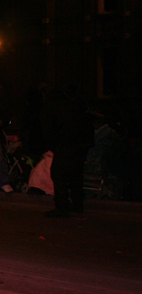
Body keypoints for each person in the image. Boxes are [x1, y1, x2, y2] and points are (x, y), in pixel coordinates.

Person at [41, 85, 94, 217]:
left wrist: (52, 145)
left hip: (64, 146)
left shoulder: (53, 108)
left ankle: (62, 206)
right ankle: (77, 204)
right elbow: (87, 126)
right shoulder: (76, 107)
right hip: (79, 147)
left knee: (60, 176)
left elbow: (49, 130)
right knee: (76, 176)